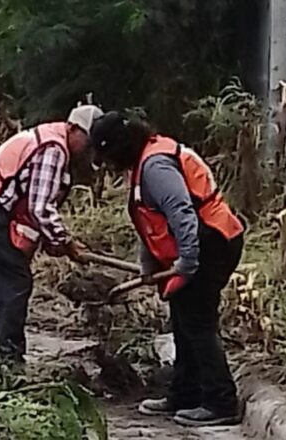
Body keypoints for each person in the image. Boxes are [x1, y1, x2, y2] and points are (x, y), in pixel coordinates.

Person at [89, 111, 245, 427]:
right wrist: (149, 264)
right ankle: (185, 393)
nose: (105, 165)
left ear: (118, 147)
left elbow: (181, 213)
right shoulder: (146, 160)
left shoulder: (156, 167)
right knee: (183, 320)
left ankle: (220, 402)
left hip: (210, 240)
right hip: (201, 241)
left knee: (198, 323)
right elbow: (151, 221)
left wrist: (188, 262)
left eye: (106, 156)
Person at [0, 104, 103, 364]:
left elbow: (31, 205)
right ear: (73, 129)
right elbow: (40, 208)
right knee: (14, 284)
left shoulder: (51, 136)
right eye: (89, 143)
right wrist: (67, 243)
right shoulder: (53, 150)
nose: (89, 151)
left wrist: (51, 240)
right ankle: (8, 359)